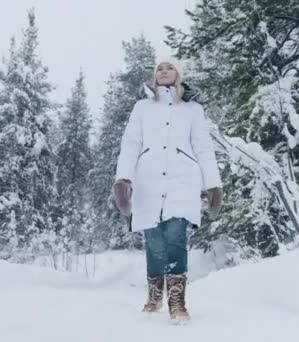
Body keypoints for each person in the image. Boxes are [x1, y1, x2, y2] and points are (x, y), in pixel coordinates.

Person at [112, 56, 223, 322]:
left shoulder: (192, 110)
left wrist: (213, 183)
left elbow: (203, 148)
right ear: (154, 76)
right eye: (159, 68)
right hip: (148, 181)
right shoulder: (142, 108)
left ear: (178, 74)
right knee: (154, 242)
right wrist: (123, 179)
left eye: (169, 67)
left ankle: (177, 302)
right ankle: (154, 295)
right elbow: (130, 144)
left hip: (183, 181)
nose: (163, 70)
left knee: (175, 238)